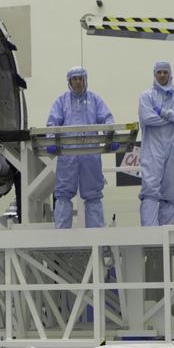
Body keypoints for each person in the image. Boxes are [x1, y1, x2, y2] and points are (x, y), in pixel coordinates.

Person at [47, 66, 114, 228]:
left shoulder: (95, 100)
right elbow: (52, 123)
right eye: (75, 79)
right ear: (69, 81)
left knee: (93, 195)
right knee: (63, 194)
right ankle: (62, 238)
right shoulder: (61, 101)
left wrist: (111, 135)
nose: (78, 82)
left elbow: (107, 119)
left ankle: (96, 236)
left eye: (80, 78)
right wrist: (50, 141)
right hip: (68, 155)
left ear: (85, 80)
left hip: (90, 154)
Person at [137, 61, 174, 226]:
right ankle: (150, 237)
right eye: (159, 72)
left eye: (165, 72)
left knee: (170, 194)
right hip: (153, 150)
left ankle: (166, 240)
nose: (162, 75)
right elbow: (147, 118)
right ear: (154, 74)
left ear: (170, 74)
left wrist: (165, 112)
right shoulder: (146, 96)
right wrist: (172, 118)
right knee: (150, 191)